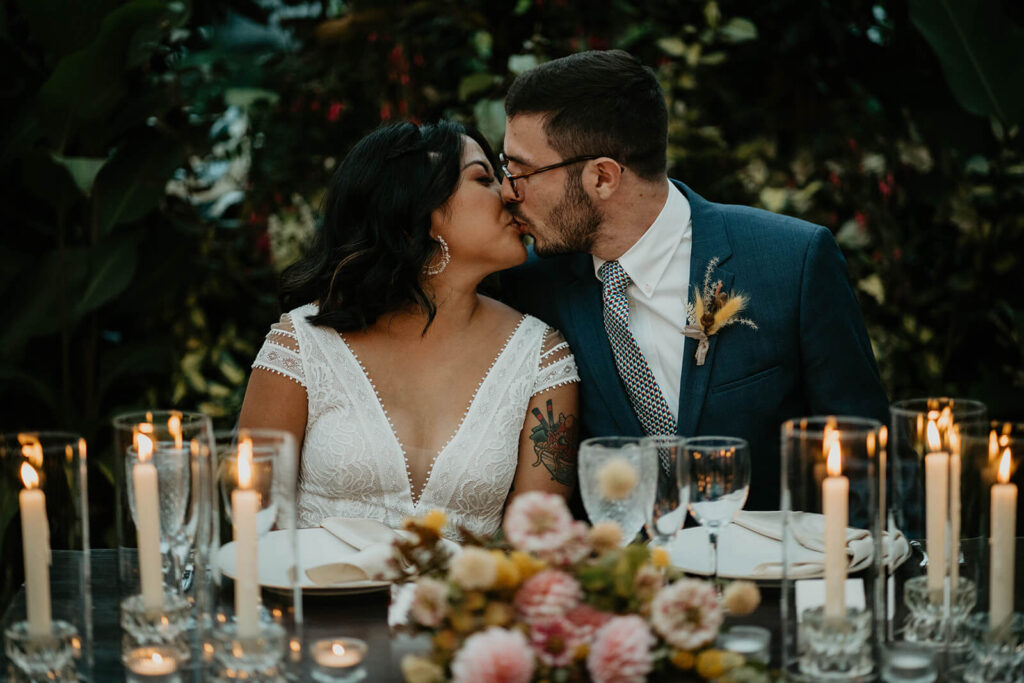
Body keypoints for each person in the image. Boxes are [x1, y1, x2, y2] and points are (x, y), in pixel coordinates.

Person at [500, 50, 889, 510]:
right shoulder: (530, 288)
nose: (508, 191)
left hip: (770, 575)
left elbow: (864, 459)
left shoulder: (792, 262)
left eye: (522, 171)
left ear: (602, 178)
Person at [239, 121, 580, 540]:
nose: (510, 193)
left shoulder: (542, 357)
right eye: (483, 178)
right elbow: (251, 524)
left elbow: (535, 539)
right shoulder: (302, 343)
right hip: (313, 601)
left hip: (462, 604)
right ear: (419, 208)